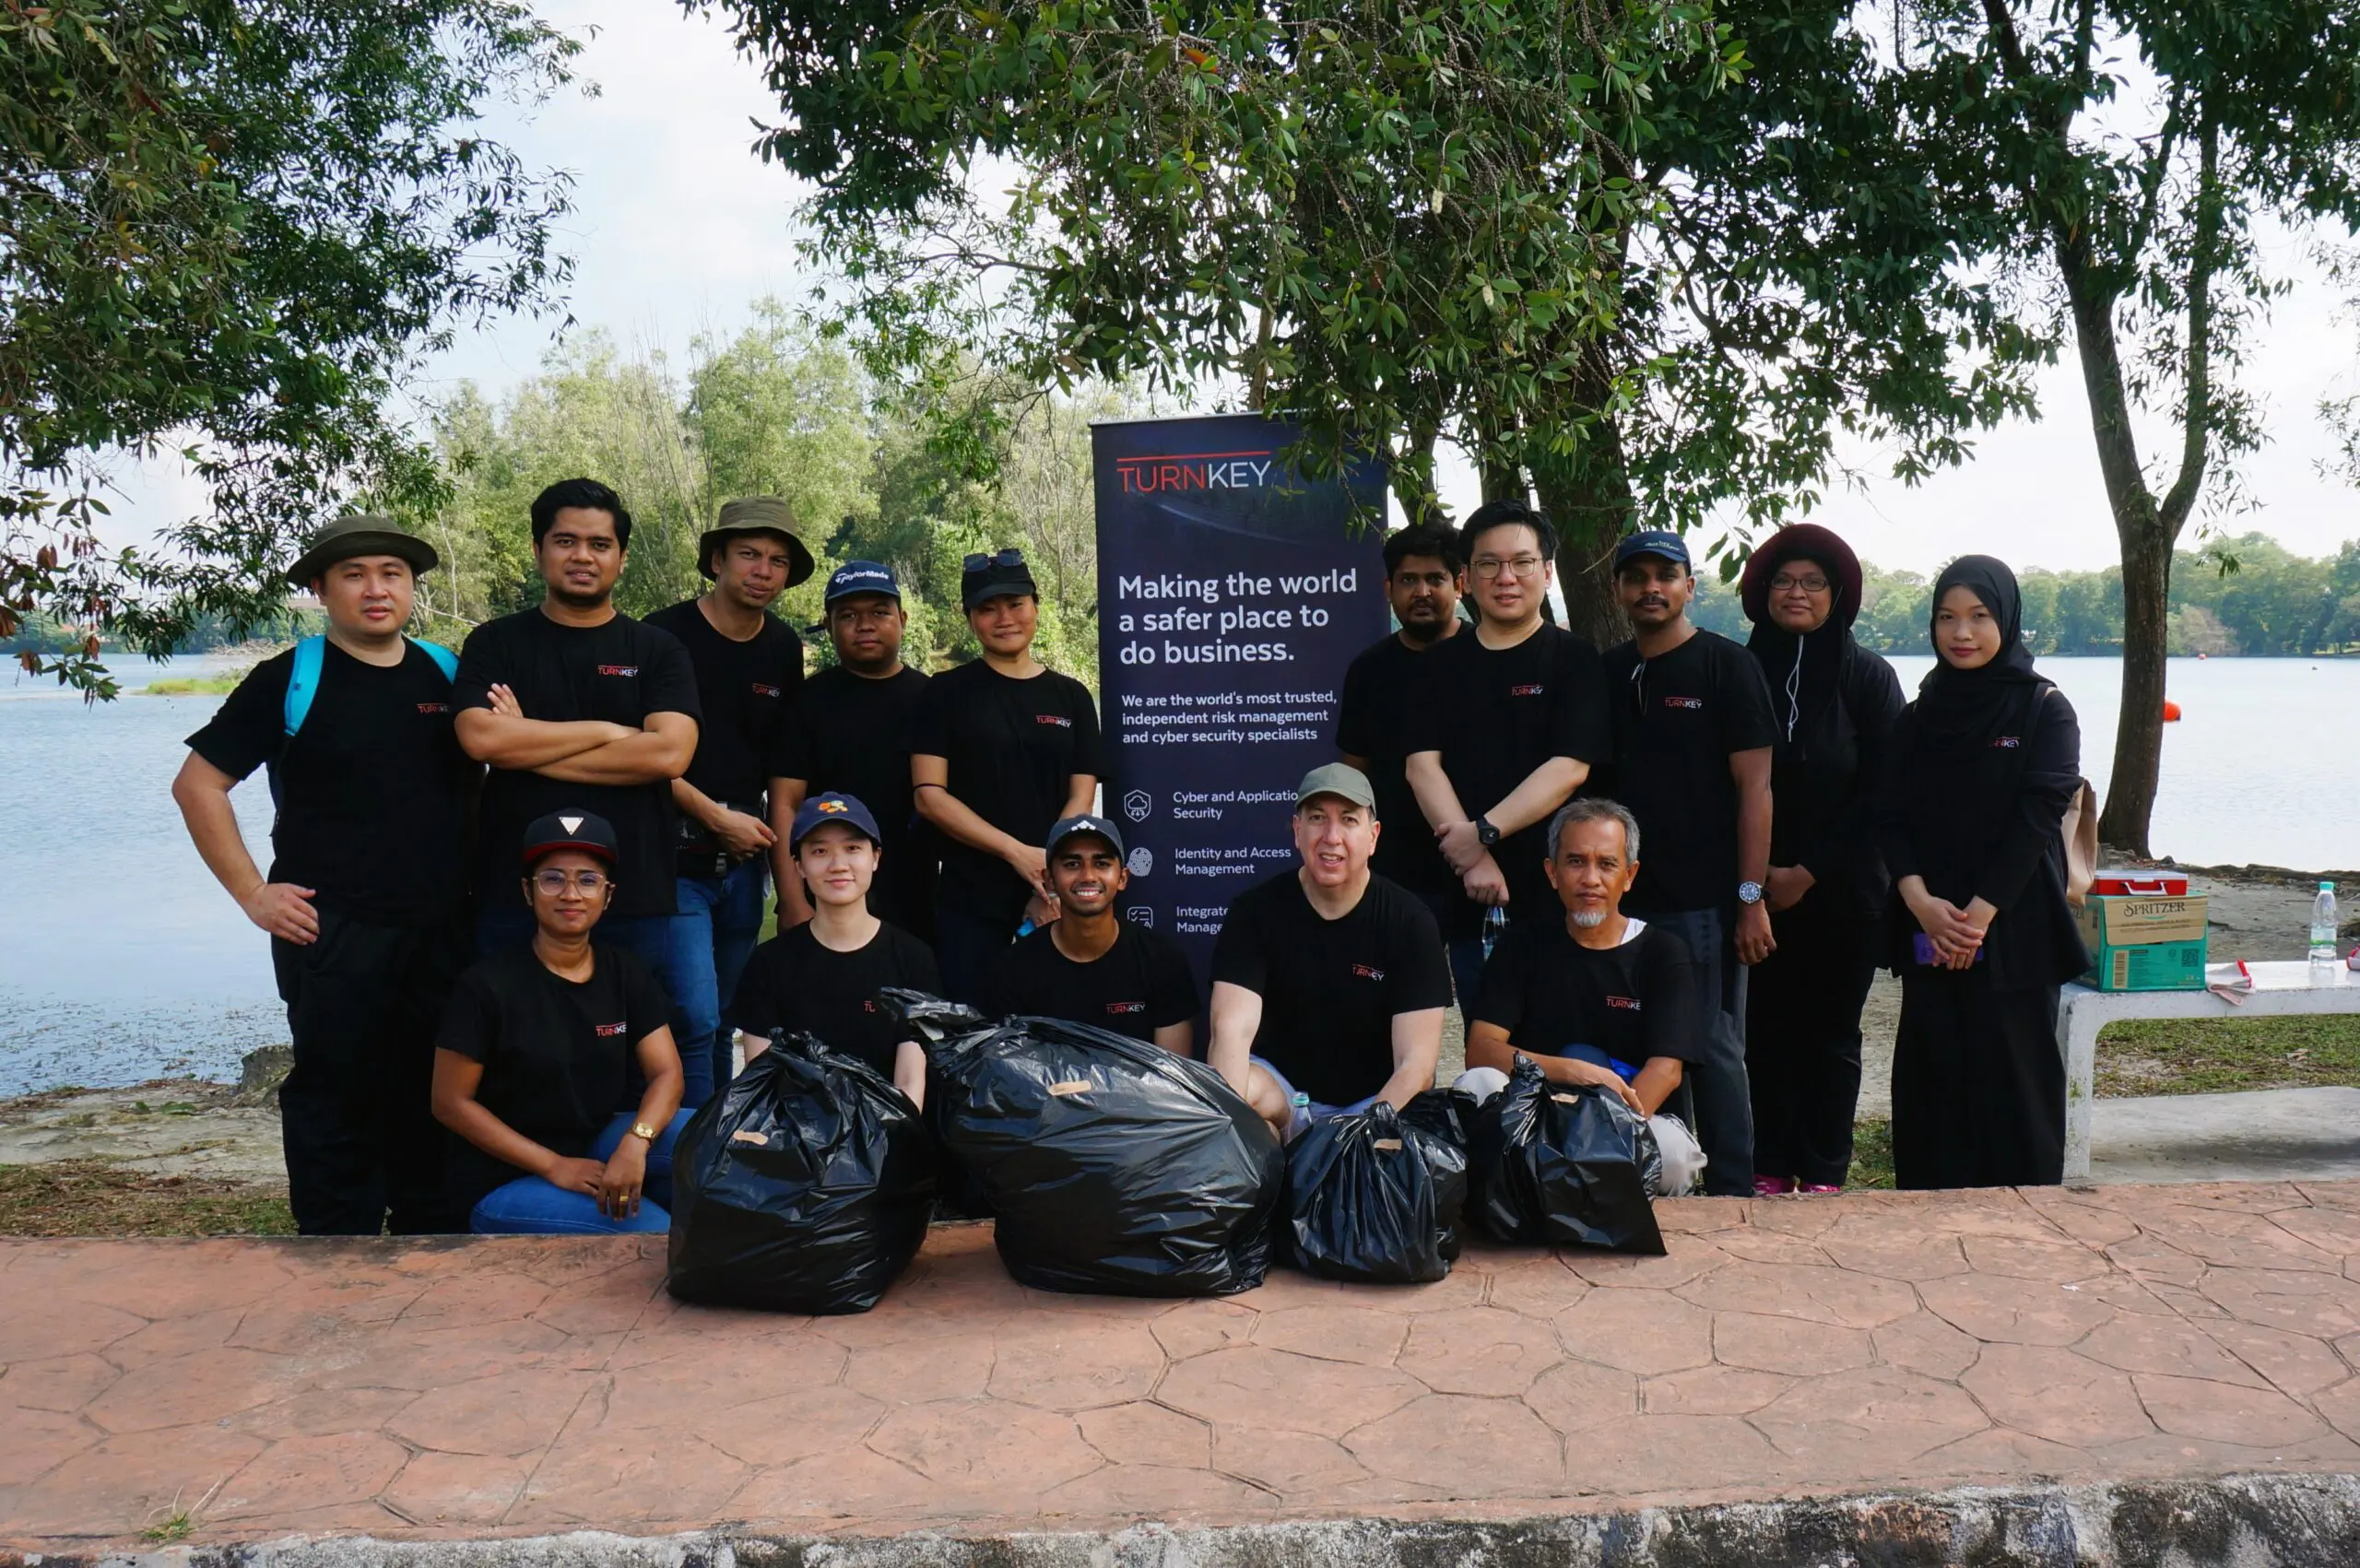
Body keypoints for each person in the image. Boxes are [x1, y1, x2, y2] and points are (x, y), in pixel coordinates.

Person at [172, 514, 477, 1236]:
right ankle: (333, 1252)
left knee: (439, 1089)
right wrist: (253, 894)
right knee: (336, 1094)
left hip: (445, 928)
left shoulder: (447, 671)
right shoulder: (290, 678)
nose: (376, 589)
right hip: (330, 927)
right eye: (354, 575)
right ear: (321, 588)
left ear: (411, 587)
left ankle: (436, 1242)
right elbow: (198, 786)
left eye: (392, 574)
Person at [451, 478, 710, 1109]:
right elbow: (481, 739)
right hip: (516, 893)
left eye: (600, 543)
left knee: (644, 1058)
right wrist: (610, 732)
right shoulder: (495, 643)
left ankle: (650, 1164)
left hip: (635, 890)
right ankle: (523, 1169)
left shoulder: (657, 650)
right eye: (566, 541)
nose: (583, 556)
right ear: (538, 550)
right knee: (513, 1052)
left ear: (621, 556)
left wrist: (527, 743)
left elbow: (669, 755)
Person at [1875, 555, 2088, 1190]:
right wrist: (1920, 902)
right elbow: (1889, 817)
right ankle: (1929, 1220)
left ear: (2007, 621)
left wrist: (1978, 917)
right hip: (1930, 930)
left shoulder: (2045, 709)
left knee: (2016, 1088)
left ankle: (2029, 1220)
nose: (1961, 633)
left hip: (2013, 929)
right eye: (1947, 617)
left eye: (1978, 616)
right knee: (1934, 1085)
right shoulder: (1918, 717)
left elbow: (2037, 819)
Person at [1600, 528, 1778, 1198]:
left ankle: (1733, 1191)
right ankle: (1667, 1181)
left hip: (1705, 902)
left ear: (1688, 587)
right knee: (1646, 1040)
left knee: (1713, 1046)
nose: (1651, 588)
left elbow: (1757, 789)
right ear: (1619, 589)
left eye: (1665, 575)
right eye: (1637, 576)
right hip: (1625, 900)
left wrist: (1750, 897)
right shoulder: (1611, 672)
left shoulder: (1727, 666)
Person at [1738, 525, 1906, 1196]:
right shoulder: (1740, 671)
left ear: (1837, 595)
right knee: (1764, 1031)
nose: (1796, 593)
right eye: (1783, 581)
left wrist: (1807, 872)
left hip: (1844, 890)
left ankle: (1826, 1168)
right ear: (1763, 593)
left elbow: (1885, 791)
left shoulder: (1869, 677)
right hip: (1755, 890)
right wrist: (1756, 882)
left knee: (1831, 1034)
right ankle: (1769, 1162)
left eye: (1812, 582)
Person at [431, 812, 692, 1234]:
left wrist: (636, 1141)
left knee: (707, 1138)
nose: (571, 894)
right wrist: (554, 1166)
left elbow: (667, 1074)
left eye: (588, 880)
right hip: (504, 1177)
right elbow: (449, 1102)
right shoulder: (486, 985)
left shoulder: (623, 971)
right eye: (553, 879)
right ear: (528, 891)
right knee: (655, 1235)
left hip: (595, 1145)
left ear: (607, 895)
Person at [1402, 501, 1612, 1018]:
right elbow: (1421, 767)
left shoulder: (1575, 659)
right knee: (1487, 1042)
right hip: (1474, 892)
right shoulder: (1437, 666)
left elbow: (1570, 767)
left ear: (1547, 571)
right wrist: (1473, 857)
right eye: (1489, 564)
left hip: (1563, 891)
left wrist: (1483, 833)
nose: (1506, 577)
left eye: (1521, 562)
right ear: (1467, 578)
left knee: (1570, 1041)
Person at [645, 497, 812, 1095]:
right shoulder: (662, 635)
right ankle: (684, 1138)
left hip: (745, 858)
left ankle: (717, 1133)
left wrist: (787, 882)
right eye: (748, 555)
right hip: (670, 853)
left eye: (777, 561)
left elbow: (784, 771)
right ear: (717, 560)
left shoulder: (783, 647)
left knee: (724, 1019)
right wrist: (712, 815)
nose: (763, 571)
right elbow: (634, 752)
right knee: (691, 1015)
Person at [1208, 764, 1449, 1141]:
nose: (1331, 837)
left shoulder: (1411, 921)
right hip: (1284, 1095)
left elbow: (1416, 1066)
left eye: (1348, 820)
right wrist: (1229, 1131)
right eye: (1317, 818)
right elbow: (1230, 1033)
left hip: (1374, 1104)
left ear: (1373, 836)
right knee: (1242, 1099)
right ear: (1297, 831)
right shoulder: (1253, 912)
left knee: (1409, 1127)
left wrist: (1353, 1143)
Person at [911, 548, 1101, 1004]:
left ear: (1036, 606)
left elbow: (1082, 793)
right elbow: (929, 795)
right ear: (970, 619)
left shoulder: (1072, 696)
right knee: (973, 1026)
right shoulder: (944, 692)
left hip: (1056, 893)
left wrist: (1050, 871)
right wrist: (1015, 852)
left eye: (1015, 604)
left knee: (1057, 1026)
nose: (1005, 619)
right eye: (987, 609)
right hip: (970, 899)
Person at [1460, 799, 1700, 1118]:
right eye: (1576, 861)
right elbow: (1481, 1050)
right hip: (1536, 1117)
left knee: (1673, 1146)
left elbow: (1666, 1069)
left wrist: (1603, 1134)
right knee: (1478, 1083)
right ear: (1552, 872)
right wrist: (1572, 1071)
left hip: (1632, 1120)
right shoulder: (1521, 946)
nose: (1590, 879)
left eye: (1607, 864)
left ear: (1629, 875)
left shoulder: (1663, 953)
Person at [729, 793, 938, 1106]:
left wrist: (882, 1134)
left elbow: (910, 1083)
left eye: (852, 848)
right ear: (799, 865)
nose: (838, 865)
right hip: (794, 1130)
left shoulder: (913, 959)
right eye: (820, 851)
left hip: (889, 1128)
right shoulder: (768, 963)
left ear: (876, 858)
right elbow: (761, 1083)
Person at [769, 560, 936, 937]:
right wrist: (792, 900)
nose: (865, 625)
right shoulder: (807, 702)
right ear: (828, 627)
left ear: (902, 620)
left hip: (918, 893)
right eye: (848, 616)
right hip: (825, 891)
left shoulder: (934, 699)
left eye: (879, 612)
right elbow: (784, 804)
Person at [1337, 521, 1467, 935]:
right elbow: (1354, 773)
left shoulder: (1485, 658)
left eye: (1435, 579)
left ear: (1459, 585)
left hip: (1482, 868)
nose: (1422, 592)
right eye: (1408, 580)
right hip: (1395, 873)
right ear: (1388, 589)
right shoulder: (1368, 671)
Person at [990, 814, 1198, 1053]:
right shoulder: (1014, 967)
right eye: (1072, 864)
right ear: (1049, 880)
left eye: (1102, 864)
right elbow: (1009, 1067)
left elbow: (1172, 1070)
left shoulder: (1162, 959)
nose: (1088, 876)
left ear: (1122, 878)